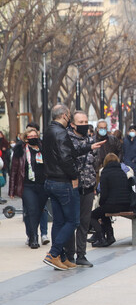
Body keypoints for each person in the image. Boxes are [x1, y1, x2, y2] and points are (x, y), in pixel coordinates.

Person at [41, 105, 81, 270]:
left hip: (50, 181)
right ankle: (54, 253)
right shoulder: (61, 133)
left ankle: (61, 257)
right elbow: (66, 158)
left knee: (59, 221)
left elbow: (67, 152)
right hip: (62, 182)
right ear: (65, 115)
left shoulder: (49, 131)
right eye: (69, 116)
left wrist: (88, 147)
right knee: (73, 221)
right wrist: (74, 176)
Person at [65, 111, 105, 267]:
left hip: (88, 187)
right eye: (80, 122)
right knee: (71, 222)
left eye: (86, 121)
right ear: (73, 124)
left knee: (84, 222)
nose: (84, 124)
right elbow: (71, 155)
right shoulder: (67, 139)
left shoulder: (90, 139)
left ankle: (81, 254)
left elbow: (93, 164)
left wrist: (94, 184)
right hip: (72, 187)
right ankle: (69, 254)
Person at [9, 128, 48, 249]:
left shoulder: (43, 149)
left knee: (39, 211)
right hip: (27, 185)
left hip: (42, 185)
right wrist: (11, 190)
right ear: (26, 139)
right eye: (30, 136)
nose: (33, 138)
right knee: (31, 210)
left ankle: (32, 234)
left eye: (35, 136)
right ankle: (34, 237)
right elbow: (14, 170)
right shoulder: (20, 151)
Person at [91, 153, 132, 247]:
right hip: (126, 204)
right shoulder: (122, 172)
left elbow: (104, 194)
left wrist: (101, 204)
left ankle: (101, 238)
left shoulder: (105, 173)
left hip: (113, 205)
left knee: (92, 215)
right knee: (104, 211)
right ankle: (109, 236)